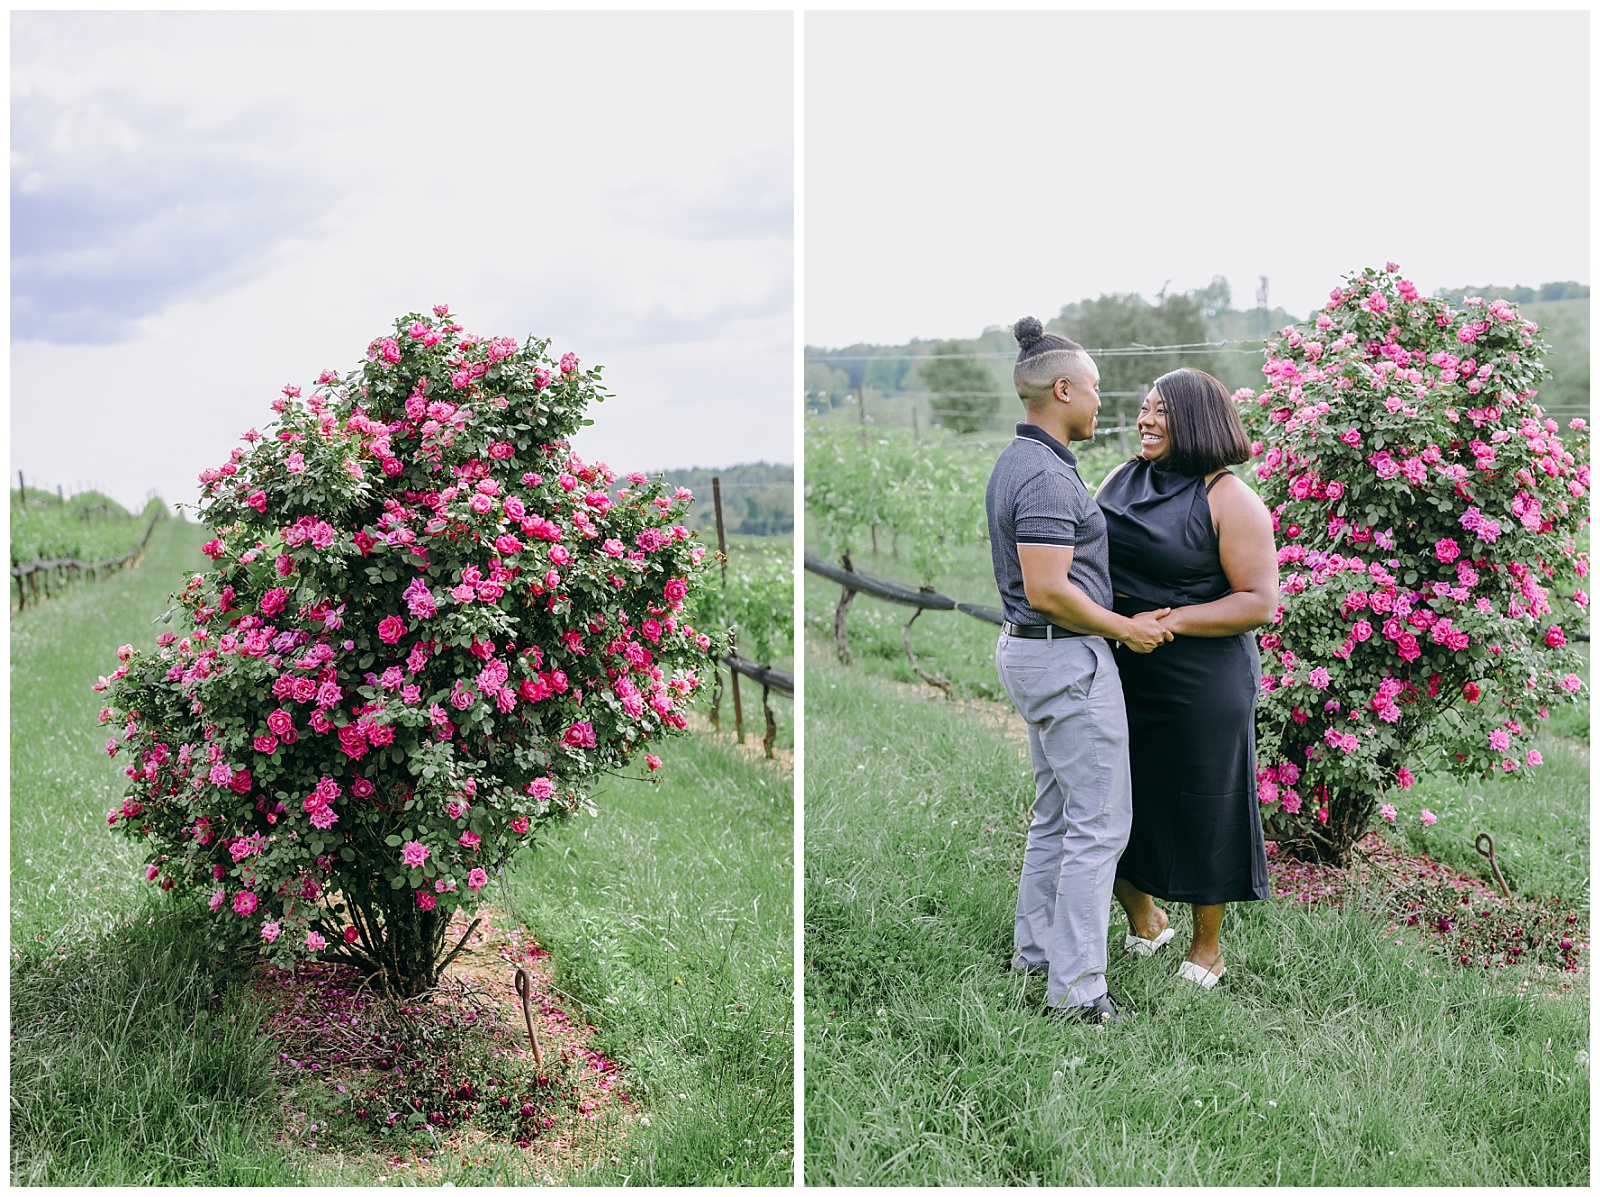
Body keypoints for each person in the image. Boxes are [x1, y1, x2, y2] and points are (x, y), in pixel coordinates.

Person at [985, 316, 1172, 1024]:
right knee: (1098, 823)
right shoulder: (1041, 474)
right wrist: (1126, 627)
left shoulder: (1024, 460)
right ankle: (1079, 991)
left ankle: (1035, 956)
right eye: (1094, 389)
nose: (1102, 401)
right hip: (1064, 654)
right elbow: (1048, 586)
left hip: (1037, 652)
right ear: (1062, 389)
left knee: (1059, 813)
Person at [1094, 367, 1279, 989]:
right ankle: (1145, 919)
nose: (1144, 419)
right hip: (1121, 662)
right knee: (1114, 795)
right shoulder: (1122, 477)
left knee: (1205, 806)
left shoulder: (1229, 498)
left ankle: (1207, 947)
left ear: (1196, 422)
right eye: (1143, 407)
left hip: (1202, 679)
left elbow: (1257, 602)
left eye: (1160, 411)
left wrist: (1167, 620)